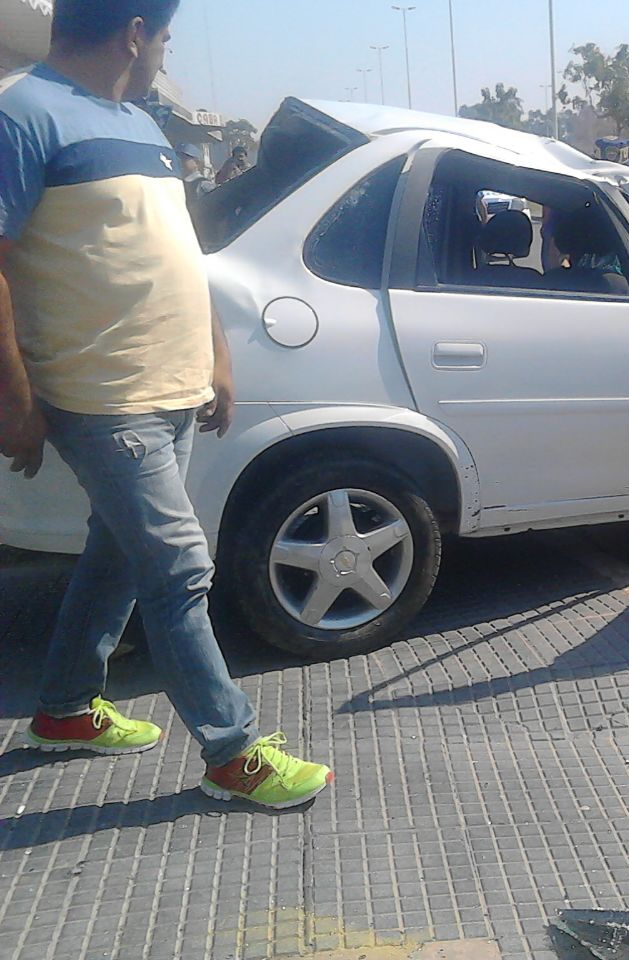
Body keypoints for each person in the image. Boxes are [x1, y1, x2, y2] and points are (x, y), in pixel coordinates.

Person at [0, 0, 331, 808]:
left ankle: (67, 710)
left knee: (119, 555)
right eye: (167, 37)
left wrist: (215, 355)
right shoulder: (20, 113)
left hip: (173, 386)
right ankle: (233, 754)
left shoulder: (143, 127)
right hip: (103, 397)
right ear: (135, 33)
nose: (165, 53)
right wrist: (13, 400)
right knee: (179, 568)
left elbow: (177, 254)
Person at [178, 142, 213, 207]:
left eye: (184, 158)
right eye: (177, 157)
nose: (180, 161)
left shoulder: (204, 185)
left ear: (196, 162)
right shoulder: (177, 183)